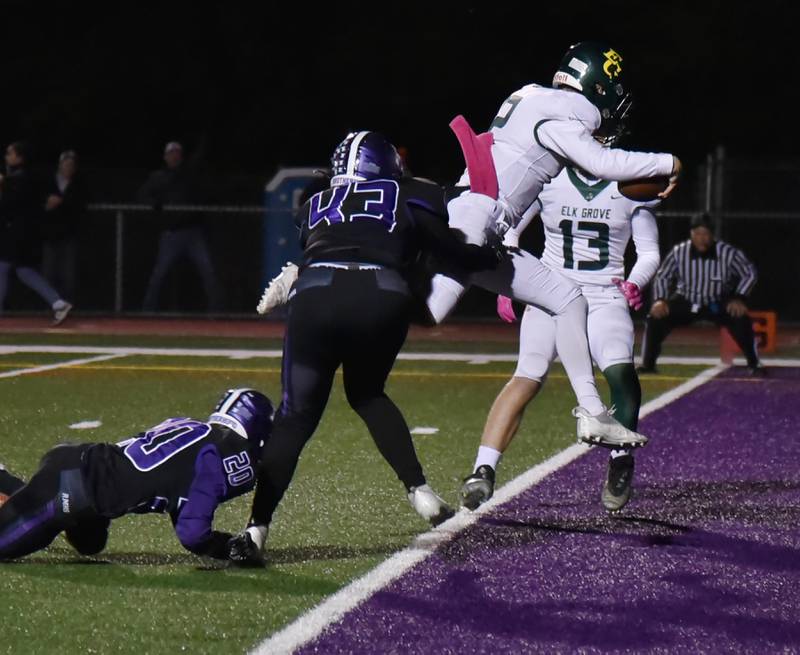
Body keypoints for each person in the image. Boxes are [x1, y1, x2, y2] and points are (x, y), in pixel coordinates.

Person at [229, 131, 501, 565]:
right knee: (368, 393)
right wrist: (487, 257)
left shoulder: (314, 203)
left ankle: (255, 531)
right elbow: (446, 247)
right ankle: (422, 493)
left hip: (317, 292)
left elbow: (324, 241)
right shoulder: (410, 193)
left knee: (296, 417)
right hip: (381, 294)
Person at [425, 41, 681, 449]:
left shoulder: (535, 98)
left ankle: (594, 414)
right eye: (612, 89)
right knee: (423, 312)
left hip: (480, 224)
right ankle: (331, 296)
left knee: (564, 300)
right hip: (478, 222)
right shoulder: (562, 112)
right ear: (596, 87)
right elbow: (603, 164)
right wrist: (668, 163)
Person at [461, 165, 661, 514]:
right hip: (550, 289)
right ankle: (483, 470)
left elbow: (649, 252)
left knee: (621, 373)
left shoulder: (631, 186)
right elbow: (509, 230)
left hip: (604, 294)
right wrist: (511, 281)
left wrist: (635, 281)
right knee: (528, 374)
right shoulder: (548, 178)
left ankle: (620, 459)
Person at [0, 388, 273, 561]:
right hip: (71, 488)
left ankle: (16, 491)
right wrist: (228, 549)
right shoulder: (220, 456)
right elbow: (193, 534)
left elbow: (180, 487)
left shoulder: (193, 427)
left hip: (80, 472)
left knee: (90, 544)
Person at [639, 212, 762, 374]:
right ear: (691, 234)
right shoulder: (679, 252)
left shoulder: (727, 252)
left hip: (716, 301)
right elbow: (663, 275)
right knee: (655, 318)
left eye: (705, 234)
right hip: (687, 299)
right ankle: (648, 364)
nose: (701, 238)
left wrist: (739, 298)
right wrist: (660, 300)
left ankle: (754, 363)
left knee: (740, 319)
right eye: (697, 233)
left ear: (712, 234)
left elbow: (749, 273)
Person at [138, 141, 221, 312]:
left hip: (193, 232)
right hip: (172, 234)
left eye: (177, 153)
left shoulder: (189, 176)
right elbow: (143, 195)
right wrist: (156, 204)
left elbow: (204, 190)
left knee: (208, 272)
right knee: (159, 274)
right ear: (165, 157)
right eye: (171, 153)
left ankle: (217, 311)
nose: (174, 157)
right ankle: (147, 310)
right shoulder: (159, 177)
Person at [0, 141, 72, 324]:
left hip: (17, 230)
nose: (7, 156)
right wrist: (39, 213)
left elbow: (8, 204)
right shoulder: (41, 174)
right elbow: (55, 199)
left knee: (3, 265)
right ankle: (57, 303)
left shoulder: (17, 178)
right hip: (32, 229)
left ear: (20, 156)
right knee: (23, 269)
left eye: (10, 153)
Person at [41, 150, 89, 302]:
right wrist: (47, 205)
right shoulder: (49, 181)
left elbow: (81, 204)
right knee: (48, 273)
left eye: (71, 165)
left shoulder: (79, 184)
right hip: (50, 234)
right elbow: (40, 201)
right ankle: (51, 304)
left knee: (69, 275)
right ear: (60, 165)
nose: (68, 167)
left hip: (69, 234)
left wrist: (62, 202)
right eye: (65, 164)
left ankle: (67, 305)